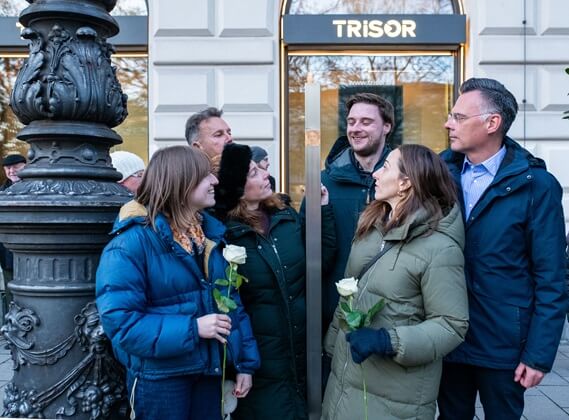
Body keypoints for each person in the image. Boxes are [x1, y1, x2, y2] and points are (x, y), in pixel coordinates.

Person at [96, 146, 260, 419]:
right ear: (181, 183)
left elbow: (233, 305)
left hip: (209, 373)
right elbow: (120, 322)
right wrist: (192, 328)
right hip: (160, 382)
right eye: (205, 175)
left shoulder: (210, 237)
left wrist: (245, 363)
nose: (215, 181)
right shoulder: (130, 244)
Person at [438, 77, 568, 419]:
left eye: (459, 117)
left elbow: (552, 278)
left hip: (504, 347)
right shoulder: (439, 175)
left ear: (492, 123)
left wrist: (538, 355)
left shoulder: (536, 186)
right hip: (448, 338)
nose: (448, 123)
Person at [322, 144, 469, 419]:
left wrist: (389, 341)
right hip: (345, 380)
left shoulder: (439, 248)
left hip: (396, 396)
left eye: (386, 166)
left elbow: (452, 325)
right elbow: (350, 294)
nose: (376, 174)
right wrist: (333, 345)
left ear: (406, 182)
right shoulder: (371, 228)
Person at [213, 143, 336, 420]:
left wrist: (322, 211)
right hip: (263, 363)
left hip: (303, 351)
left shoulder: (284, 215)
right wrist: (242, 363)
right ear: (235, 187)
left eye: (261, 169)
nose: (265, 176)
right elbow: (229, 304)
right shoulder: (227, 235)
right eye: (254, 173)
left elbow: (318, 265)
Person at [302, 93, 394, 332]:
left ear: (387, 126)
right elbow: (308, 249)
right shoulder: (323, 182)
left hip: (388, 314)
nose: (356, 128)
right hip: (333, 316)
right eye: (352, 121)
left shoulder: (403, 182)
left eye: (366, 121)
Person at [185, 107, 233, 175]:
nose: (229, 138)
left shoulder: (247, 165)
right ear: (197, 147)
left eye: (229, 133)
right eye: (218, 135)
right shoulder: (190, 181)